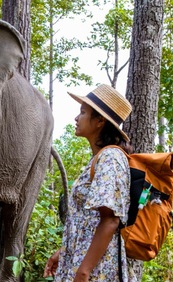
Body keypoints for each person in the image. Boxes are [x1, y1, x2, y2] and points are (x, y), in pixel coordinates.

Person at [44, 84, 143, 282]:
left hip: (96, 270)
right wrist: (62, 252)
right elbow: (87, 222)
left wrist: (84, 272)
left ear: (99, 121)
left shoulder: (111, 158)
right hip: (82, 261)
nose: (76, 118)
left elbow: (110, 220)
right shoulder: (99, 159)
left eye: (82, 112)